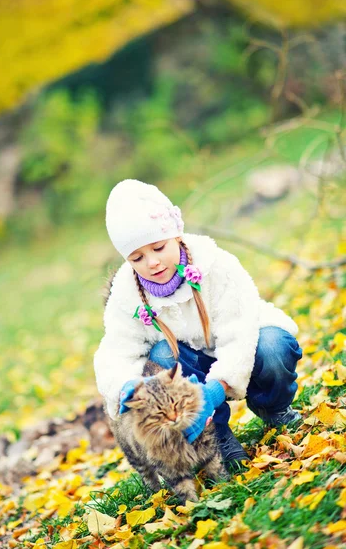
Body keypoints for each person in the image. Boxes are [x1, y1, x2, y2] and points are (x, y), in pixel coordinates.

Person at [94, 179, 302, 467]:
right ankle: (217, 435)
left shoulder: (216, 265)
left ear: (176, 235)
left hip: (244, 345)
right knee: (161, 357)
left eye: (158, 247)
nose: (152, 262)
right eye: (138, 257)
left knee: (273, 345)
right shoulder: (127, 295)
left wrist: (217, 388)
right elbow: (115, 351)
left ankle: (273, 407)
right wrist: (126, 384)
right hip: (189, 363)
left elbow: (239, 332)